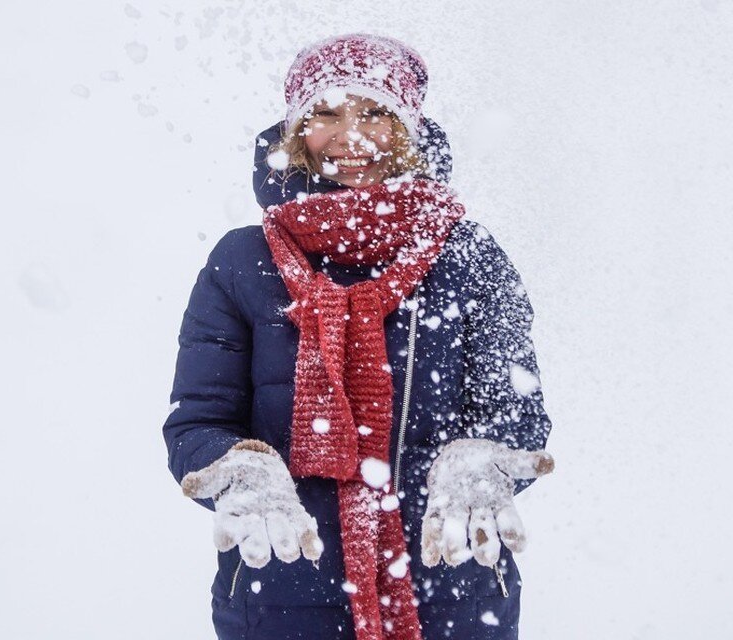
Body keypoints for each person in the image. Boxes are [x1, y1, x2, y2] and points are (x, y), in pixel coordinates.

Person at [163, 33, 555, 640]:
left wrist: (484, 460)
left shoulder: (467, 257)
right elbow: (198, 420)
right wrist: (239, 470)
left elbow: (513, 413)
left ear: (409, 130)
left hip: (450, 589)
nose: (351, 137)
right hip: (282, 591)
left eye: (375, 112)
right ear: (295, 133)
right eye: (325, 114)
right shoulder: (242, 262)